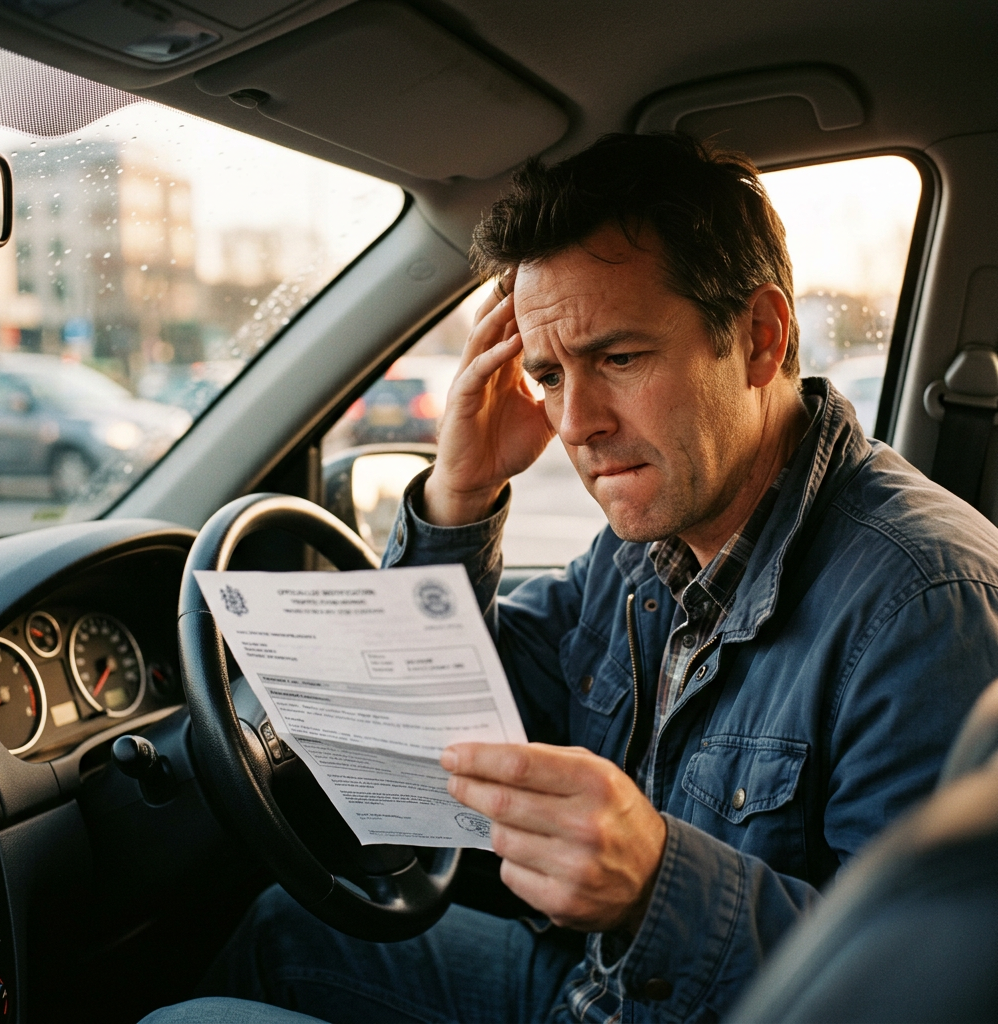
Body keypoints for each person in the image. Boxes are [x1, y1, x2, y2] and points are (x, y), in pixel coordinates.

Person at [143, 132, 998, 1024]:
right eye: (549, 374)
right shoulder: (647, 548)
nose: (578, 423)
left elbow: (920, 988)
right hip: (588, 988)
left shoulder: (926, 605)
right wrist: (461, 493)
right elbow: (414, 728)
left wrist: (658, 885)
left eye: (620, 359)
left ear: (758, 337)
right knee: (286, 930)